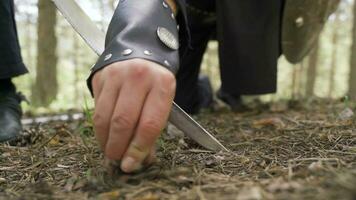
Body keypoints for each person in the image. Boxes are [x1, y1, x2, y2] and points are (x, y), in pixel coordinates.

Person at [1, 0, 284, 173]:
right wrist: (141, 32)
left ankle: (229, 89)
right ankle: (205, 90)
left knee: (239, 74)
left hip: (248, 14)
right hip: (187, 14)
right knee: (178, 101)